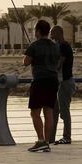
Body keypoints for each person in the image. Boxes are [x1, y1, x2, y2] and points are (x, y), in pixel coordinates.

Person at [23, 19, 60, 152]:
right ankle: (47, 142)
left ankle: (40, 140)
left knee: (35, 112)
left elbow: (26, 62)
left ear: (38, 31)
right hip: (53, 80)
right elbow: (57, 61)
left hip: (39, 81)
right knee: (48, 112)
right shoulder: (55, 46)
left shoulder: (34, 46)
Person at [48, 25, 75, 145]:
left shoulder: (64, 46)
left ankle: (67, 137)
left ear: (59, 33)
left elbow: (59, 64)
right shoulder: (59, 46)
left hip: (65, 82)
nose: (51, 36)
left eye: (52, 33)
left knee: (64, 111)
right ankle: (51, 138)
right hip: (59, 83)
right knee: (54, 111)